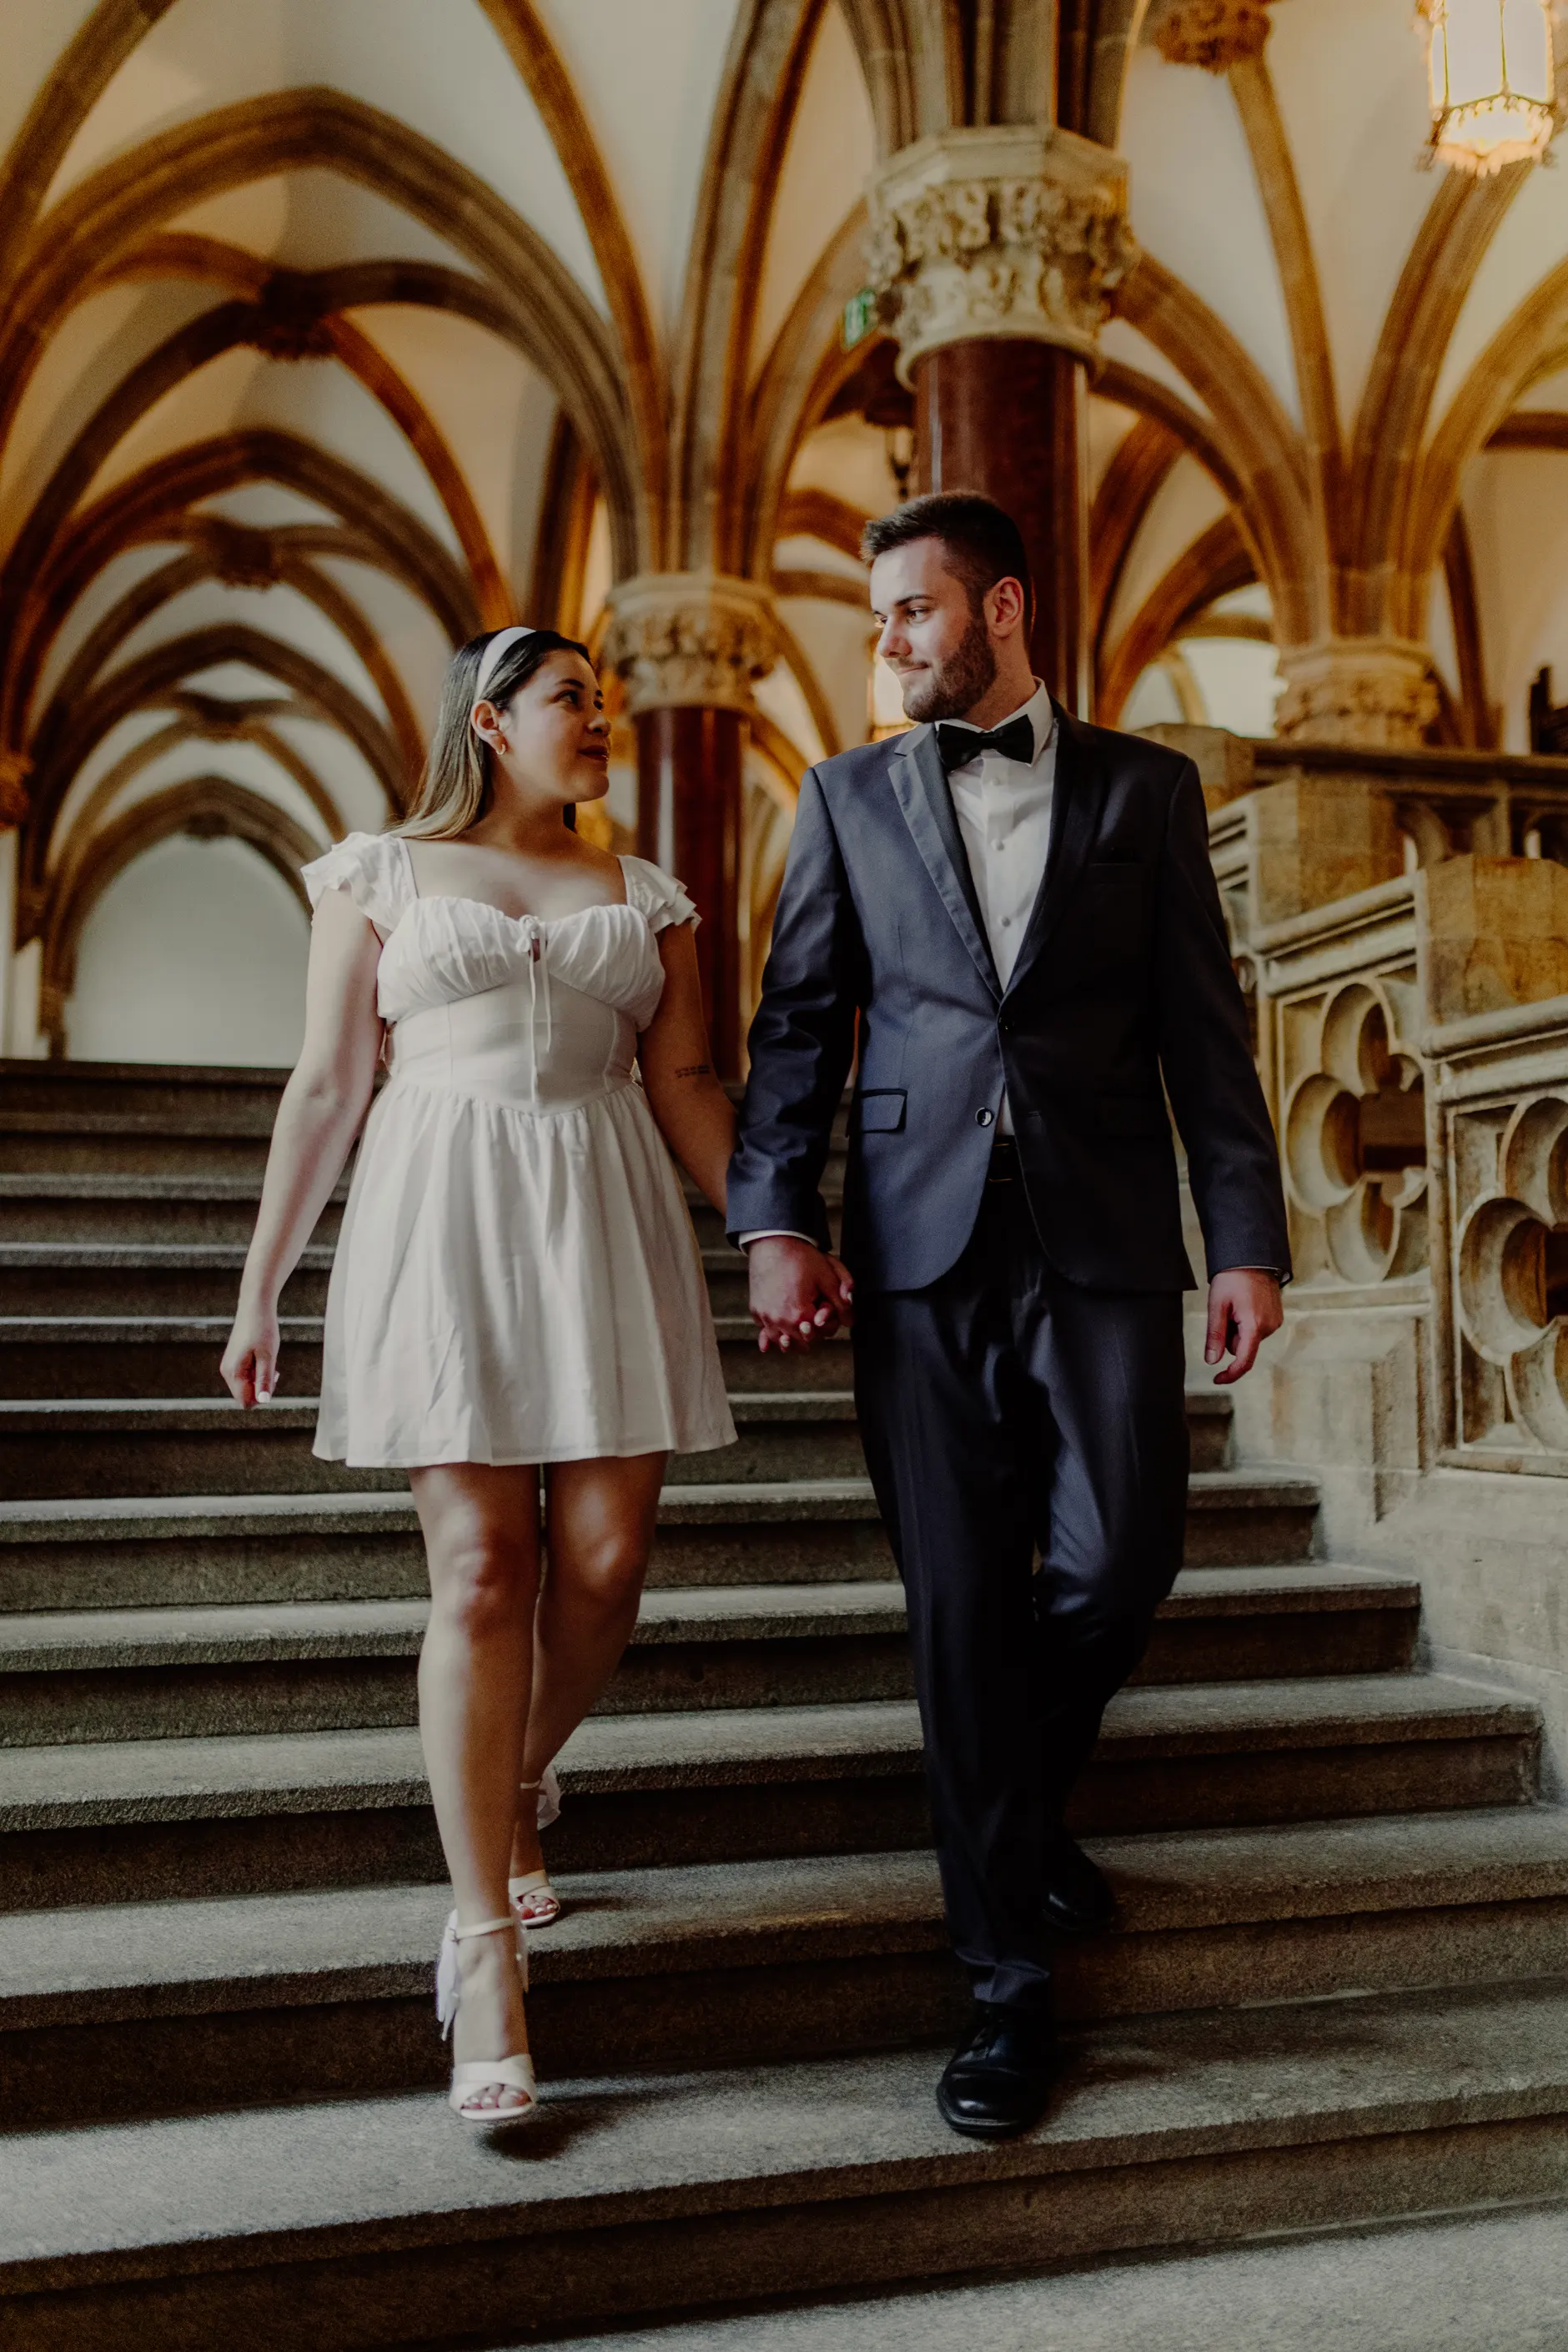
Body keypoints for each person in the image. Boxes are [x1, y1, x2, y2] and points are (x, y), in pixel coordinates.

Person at [727, 491, 1289, 2141]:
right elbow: (795, 1031)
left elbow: (1207, 1033)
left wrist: (1244, 1237)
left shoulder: (1147, 792)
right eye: (877, 618)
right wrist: (778, 1220)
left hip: (1104, 1233)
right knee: (958, 1607)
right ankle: (1001, 1992)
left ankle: (1012, 1807)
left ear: (1002, 610)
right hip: (914, 1248)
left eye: (909, 609)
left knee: (1121, 1558)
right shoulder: (839, 801)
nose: (886, 641)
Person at [222, 626, 736, 2128]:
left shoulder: (649, 896)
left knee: (608, 1557)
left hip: (604, 1205)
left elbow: (691, 1084)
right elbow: (326, 1087)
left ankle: (509, 1781)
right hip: (437, 1208)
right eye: (574, 697)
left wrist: (773, 1229)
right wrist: (262, 1288)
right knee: (483, 1571)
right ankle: (484, 1946)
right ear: (493, 722)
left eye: (602, 699)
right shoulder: (379, 871)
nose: (602, 719)